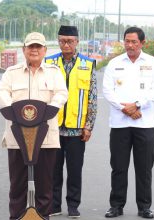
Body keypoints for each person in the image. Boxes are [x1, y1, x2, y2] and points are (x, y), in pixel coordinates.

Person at [0, 32, 68, 220]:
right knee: (17, 186)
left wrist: (49, 110)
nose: (34, 50)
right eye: (30, 46)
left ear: (45, 50)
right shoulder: (11, 73)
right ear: (24, 50)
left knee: (45, 186)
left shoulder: (54, 72)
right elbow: (2, 94)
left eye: (38, 47)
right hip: (17, 137)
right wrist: (14, 113)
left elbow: (62, 93)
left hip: (46, 138)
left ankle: (43, 217)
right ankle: (16, 217)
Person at [102, 26, 154, 219]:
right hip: (120, 124)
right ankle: (116, 206)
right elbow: (107, 91)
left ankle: (144, 207)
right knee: (118, 167)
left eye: (134, 41)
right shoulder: (114, 63)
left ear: (142, 43)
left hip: (145, 125)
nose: (129, 45)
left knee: (144, 168)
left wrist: (137, 105)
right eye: (127, 41)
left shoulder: (153, 63)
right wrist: (125, 109)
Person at [45, 25, 97, 218]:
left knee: (75, 170)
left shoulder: (88, 64)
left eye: (70, 41)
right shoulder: (49, 63)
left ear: (77, 42)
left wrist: (89, 126)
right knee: (53, 170)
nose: (66, 44)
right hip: (53, 128)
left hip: (77, 129)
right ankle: (55, 205)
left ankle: (73, 205)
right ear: (58, 41)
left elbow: (92, 98)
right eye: (62, 41)